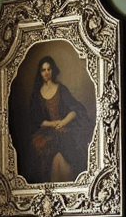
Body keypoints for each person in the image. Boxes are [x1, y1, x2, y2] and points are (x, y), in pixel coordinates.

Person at [25, 55, 93, 183]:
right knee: (41, 150)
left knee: (66, 148)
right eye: (43, 70)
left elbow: (74, 110)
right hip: (48, 130)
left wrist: (62, 122)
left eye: (49, 69)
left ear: (53, 70)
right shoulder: (37, 94)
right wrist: (54, 123)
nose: (46, 73)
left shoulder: (61, 89)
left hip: (66, 127)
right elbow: (37, 120)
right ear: (40, 73)